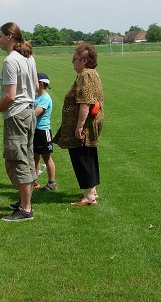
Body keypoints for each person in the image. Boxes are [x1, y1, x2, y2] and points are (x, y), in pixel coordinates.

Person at [0, 22, 38, 222]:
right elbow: (37, 86)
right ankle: (24, 202)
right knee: (27, 158)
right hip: (29, 113)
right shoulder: (28, 57)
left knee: (17, 160)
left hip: (17, 115)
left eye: (1, 35)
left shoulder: (11, 61)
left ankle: (25, 209)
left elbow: (10, 96)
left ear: (10, 37)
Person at [53, 43, 104, 206]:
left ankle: (89, 196)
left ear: (84, 60)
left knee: (82, 157)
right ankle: (92, 192)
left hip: (86, 124)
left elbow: (85, 103)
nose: (72, 62)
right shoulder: (92, 73)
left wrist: (79, 126)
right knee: (88, 155)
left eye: (74, 59)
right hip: (91, 122)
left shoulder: (85, 75)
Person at [33, 72, 56, 192]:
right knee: (35, 156)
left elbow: (36, 112)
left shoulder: (45, 98)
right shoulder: (35, 96)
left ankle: (52, 182)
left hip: (43, 131)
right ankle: (34, 181)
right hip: (35, 131)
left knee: (46, 157)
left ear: (40, 84)